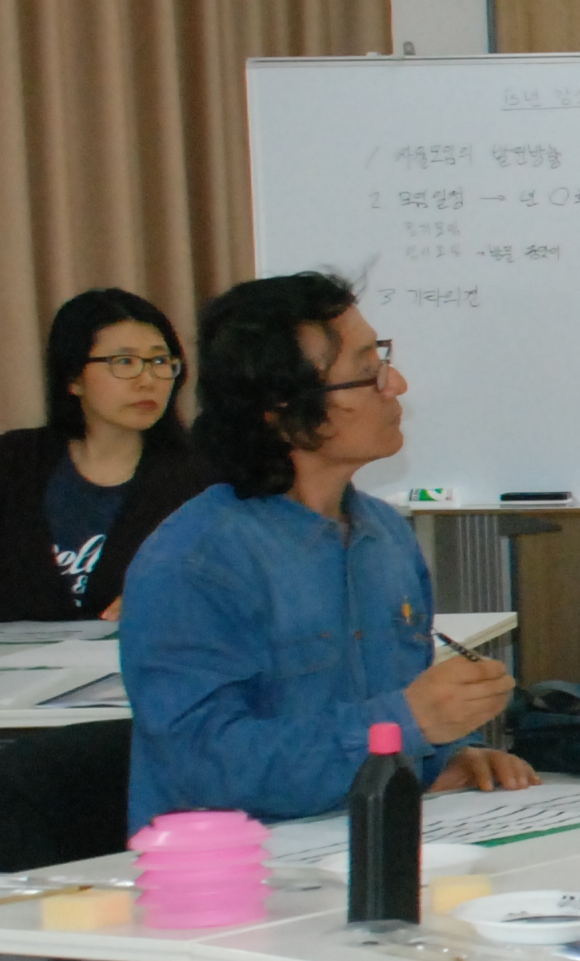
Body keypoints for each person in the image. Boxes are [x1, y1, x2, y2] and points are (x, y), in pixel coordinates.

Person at [119, 272, 537, 827]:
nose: (397, 385)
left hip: (368, 842)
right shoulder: (197, 559)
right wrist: (408, 720)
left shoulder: (385, 536)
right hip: (238, 875)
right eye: (367, 373)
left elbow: (381, 723)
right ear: (282, 407)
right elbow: (204, 767)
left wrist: (443, 757)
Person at [0, 287, 211, 622]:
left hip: (142, 668)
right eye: (124, 362)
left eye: (159, 361)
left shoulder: (201, 476)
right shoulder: (13, 462)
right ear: (73, 378)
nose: (148, 380)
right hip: (14, 670)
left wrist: (177, 597)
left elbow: (234, 578)